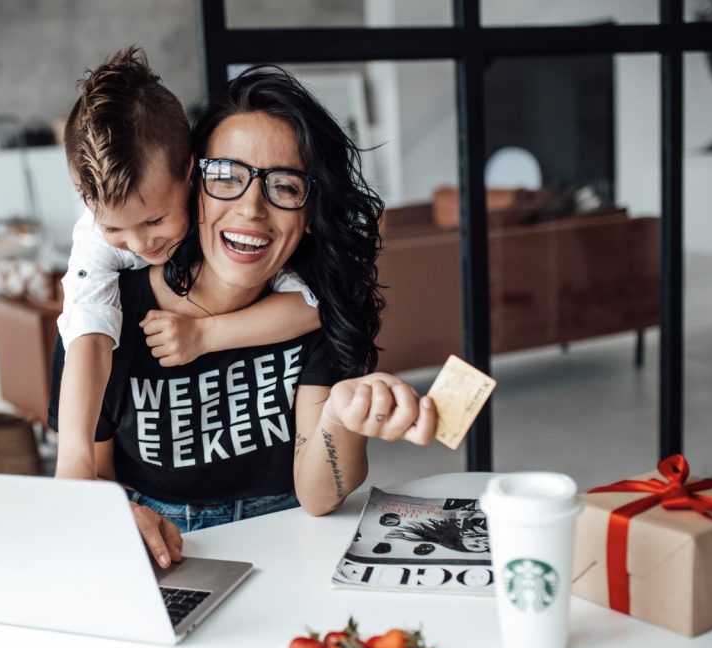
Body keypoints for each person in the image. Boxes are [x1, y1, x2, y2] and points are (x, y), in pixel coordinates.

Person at [49, 65, 438, 568]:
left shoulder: (320, 306)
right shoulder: (105, 314)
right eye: (228, 177)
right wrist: (115, 514)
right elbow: (88, 478)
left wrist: (342, 415)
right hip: (163, 552)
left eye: (285, 186)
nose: (252, 209)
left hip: (287, 545)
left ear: (310, 207)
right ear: (196, 182)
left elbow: (319, 497)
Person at [56, 47, 320, 483]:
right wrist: (74, 466)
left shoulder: (231, 214)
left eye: (156, 220)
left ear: (192, 174)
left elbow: (315, 303)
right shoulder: (93, 241)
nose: (141, 245)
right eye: (115, 229)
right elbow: (88, 333)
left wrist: (205, 335)